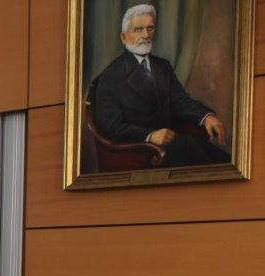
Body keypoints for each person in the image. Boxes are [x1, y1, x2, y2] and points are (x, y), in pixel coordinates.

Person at [93, 4, 230, 168]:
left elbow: (180, 100)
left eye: (150, 28)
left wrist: (206, 116)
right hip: (140, 153)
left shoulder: (162, 66)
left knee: (223, 162)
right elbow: (110, 127)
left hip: (175, 144)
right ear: (123, 37)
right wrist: (150, 135)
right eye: (138, 29)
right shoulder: (111, 76)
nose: (146, 35)